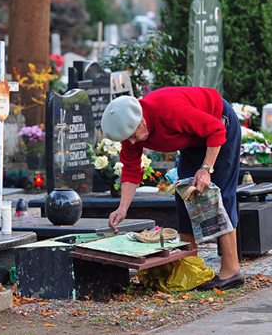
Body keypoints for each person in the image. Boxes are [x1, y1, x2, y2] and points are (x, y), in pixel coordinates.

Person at [101, 87, 243, 290]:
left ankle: (232, 270)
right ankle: (190, 267)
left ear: (141, 121)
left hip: (219, 126)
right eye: (127, 138)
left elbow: (215, 130)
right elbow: (132, 170)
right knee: (185, 194)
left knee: (217, 195)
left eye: (132, 135)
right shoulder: (130, 131)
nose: (131, 142)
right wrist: (122, 209)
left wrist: (205, 169)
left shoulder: (169, 112)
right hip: (193, 138)